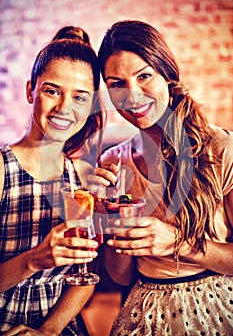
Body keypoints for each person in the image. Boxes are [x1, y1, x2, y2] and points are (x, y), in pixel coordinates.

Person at [89, 20, 233, 335]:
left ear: (166, 74)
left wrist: (175, 242)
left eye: (144, 76)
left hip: (218, 308)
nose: (133, 95)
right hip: (145, 312)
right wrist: (107, 216)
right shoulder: (114, 162)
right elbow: (121, 276)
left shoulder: (221, 148)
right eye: (117, 84)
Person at [0, 25, 103, 335]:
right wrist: (33, 260)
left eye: (79, 97)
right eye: (52, 90)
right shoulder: (3, 170)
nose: (64, 108)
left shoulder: (84, 176)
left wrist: (47, 331)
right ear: (31, 89)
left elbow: (86, 277)